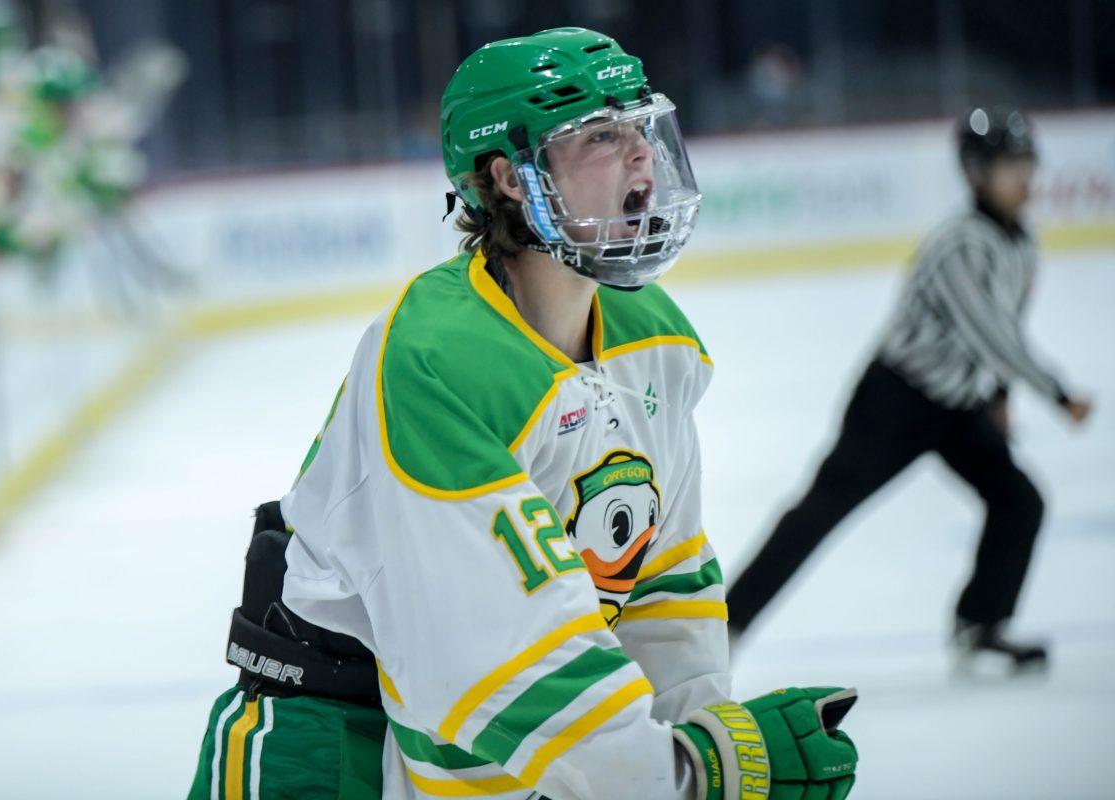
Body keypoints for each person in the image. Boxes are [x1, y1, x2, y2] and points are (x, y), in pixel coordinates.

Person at [187, 28, 858, 800]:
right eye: (602, 136)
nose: (642, 154)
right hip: (332, 749)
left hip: (504, 739)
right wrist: (687, 780)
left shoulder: (657, 339)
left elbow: (662, 586)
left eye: (641, 126)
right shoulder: (436, 358)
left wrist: (698, 745)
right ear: (511, 178)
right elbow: (483, 665)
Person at [726, 107, 1093, 670]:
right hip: (894, 403)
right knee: (820, 511)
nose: (1024, 177)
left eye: (1026, 163)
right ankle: (726, 624)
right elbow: (991, 333)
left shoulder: (1020, 243)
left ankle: (981, 624)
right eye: (1008, 165)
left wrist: (997, 399)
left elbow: (1002, 330)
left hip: (956, 406)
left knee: (1020, 501)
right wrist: (1059, 393)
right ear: (975, 172)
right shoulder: (959, 245)